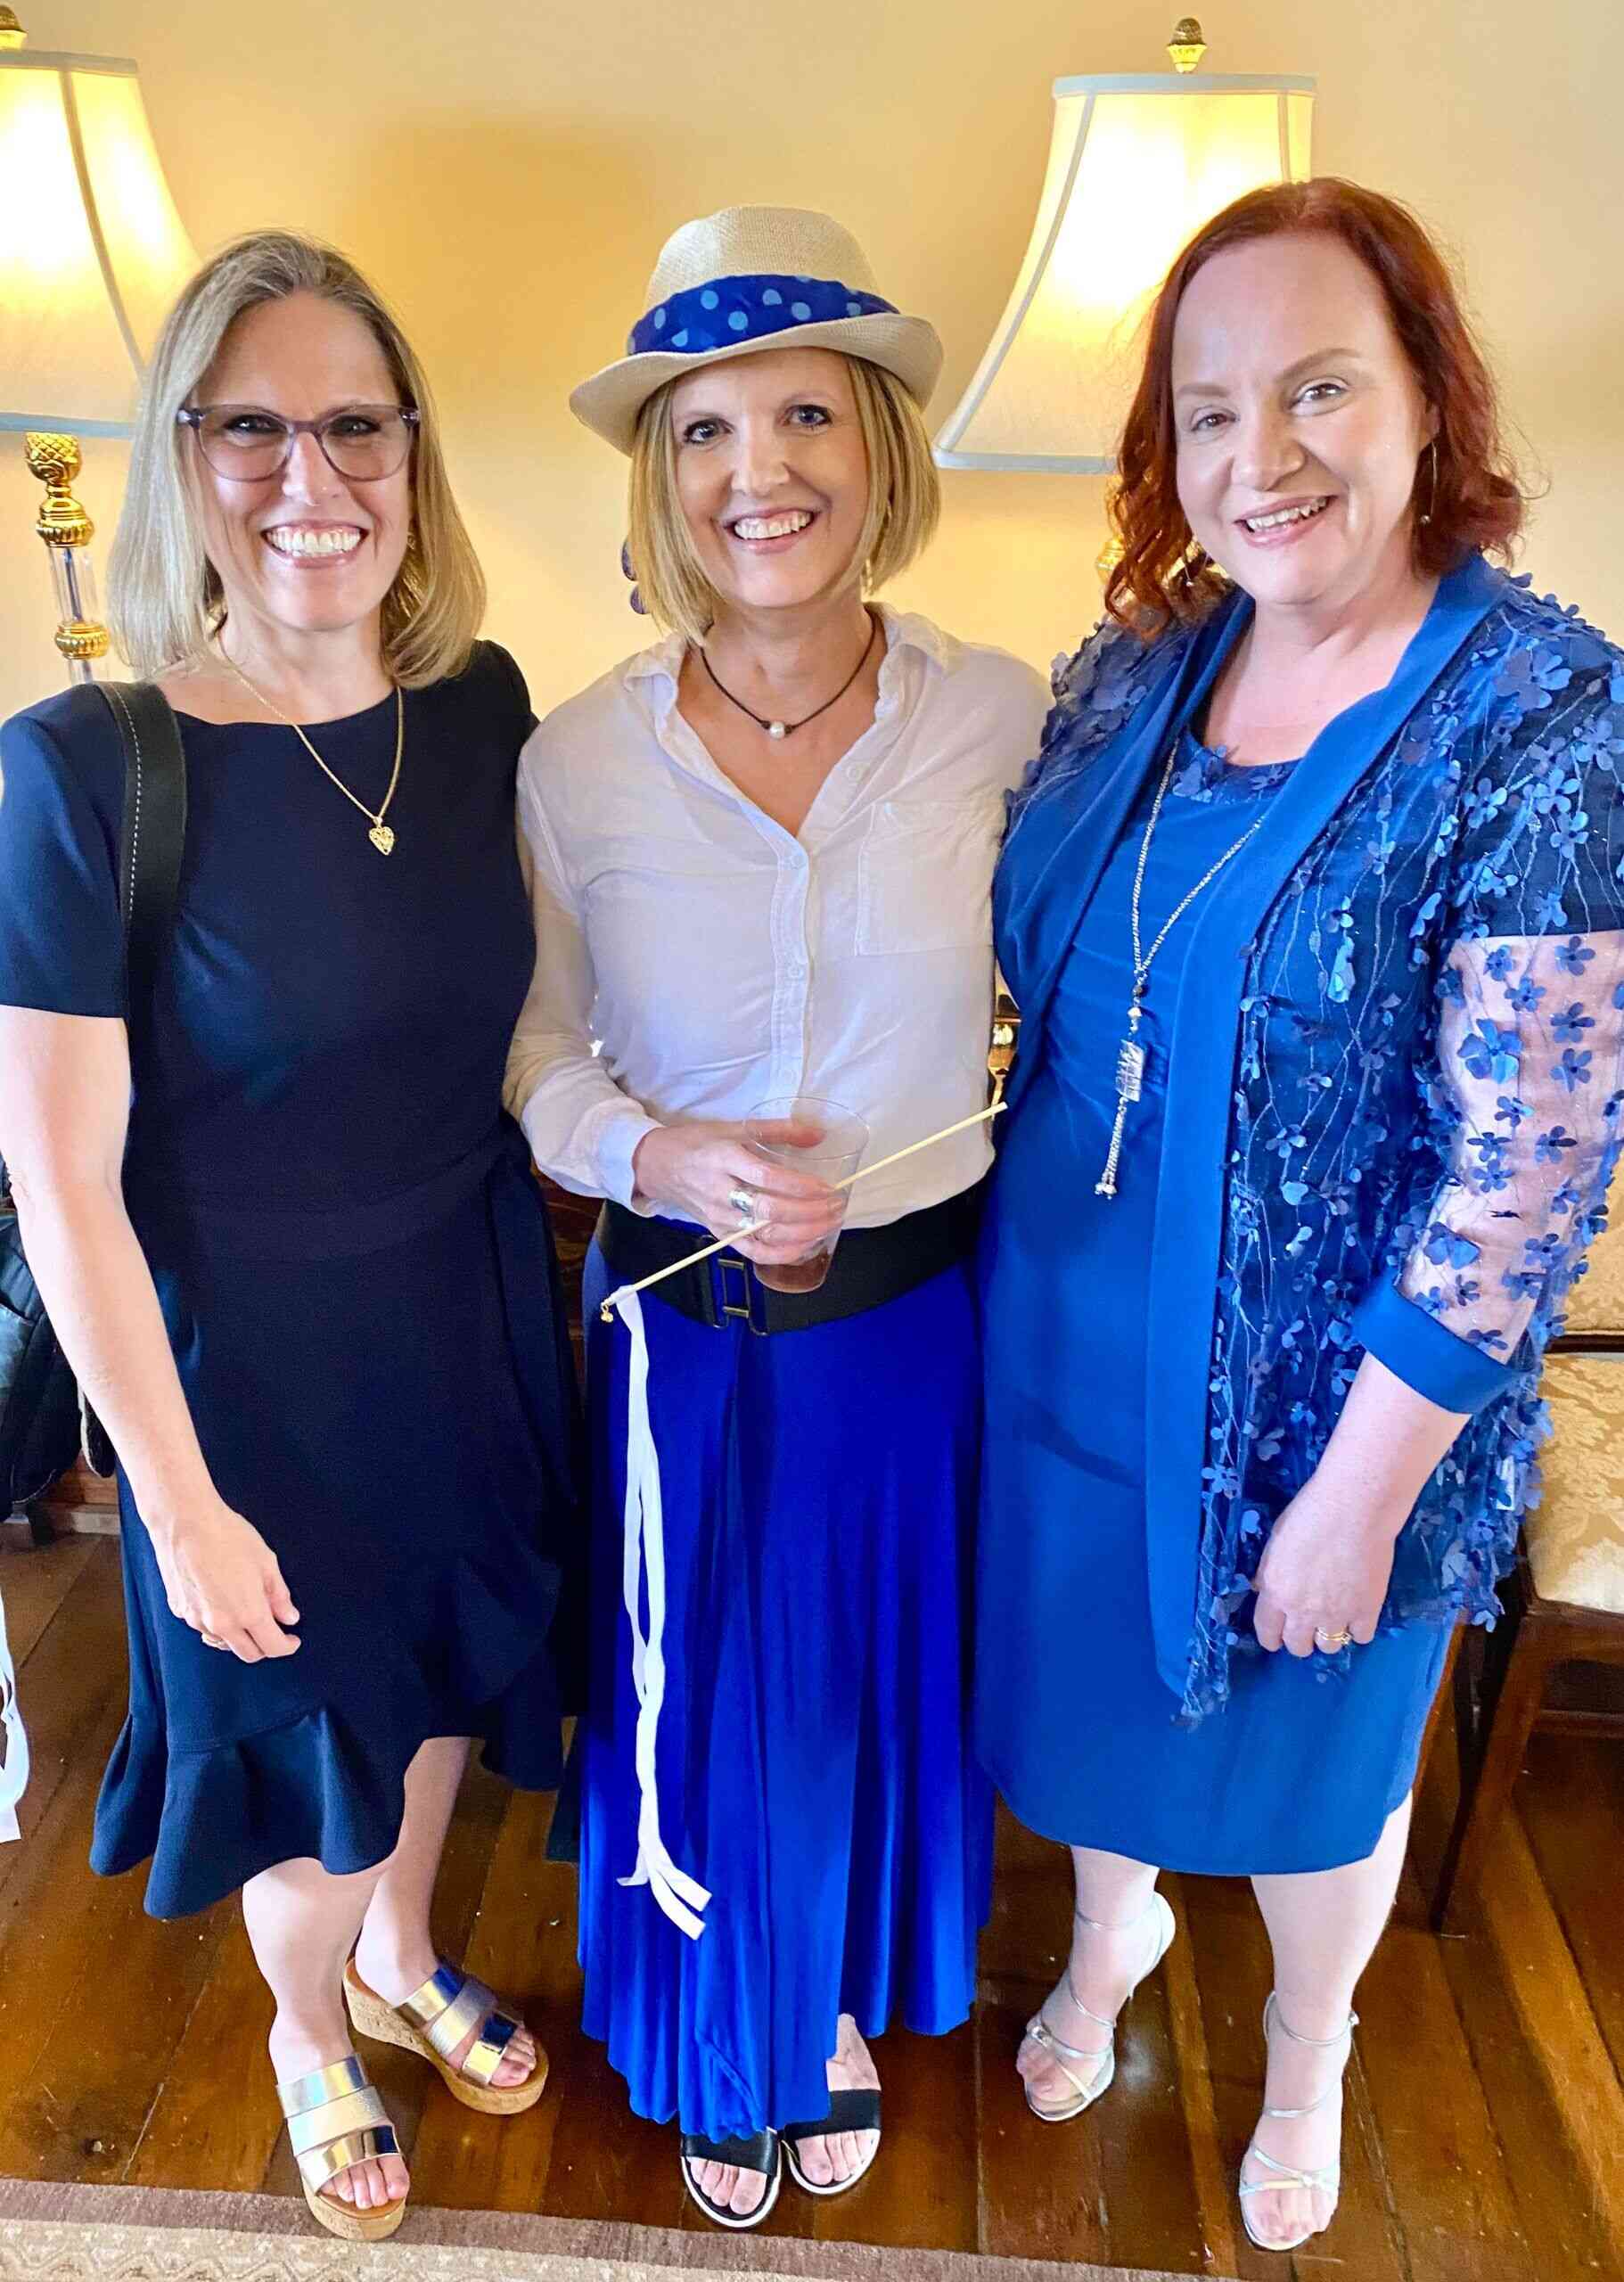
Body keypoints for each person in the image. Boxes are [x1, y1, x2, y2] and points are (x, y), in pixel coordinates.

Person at [977, 176, 1624, 2255]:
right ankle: (1111, 1935)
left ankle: (1306, 2037)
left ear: (1426, 396)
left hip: (1332, 1410)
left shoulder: (1539, 719)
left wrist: (1358, 1492)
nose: (1256, 455)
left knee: (1309, 1777)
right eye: (1207, 409)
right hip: (1057, 1337)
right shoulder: (1132, 672)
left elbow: (1524, 1168)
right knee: (1090, 1718)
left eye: (1316, 388)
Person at [0, 232, 580, 2241]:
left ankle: (404, 1953)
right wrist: (169, 1503)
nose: (308, 477)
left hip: (467, 1303)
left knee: (437, 1682)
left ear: (413, 453)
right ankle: (308, 2027)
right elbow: (61, 1180)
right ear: (180, 456)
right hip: (242, 1362)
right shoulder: (84, 769)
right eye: (249, 428)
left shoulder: (483, 709)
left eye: (353, 426)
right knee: (305, 1742)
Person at [505, 206, 1049, 2229]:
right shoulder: (576, 759)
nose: (762, 471)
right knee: (701, 1681)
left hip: (913, 1327)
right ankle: (715, 2018)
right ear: (662, 479)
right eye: (708, 430)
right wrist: (657, 1157)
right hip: (674, 1322)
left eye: (807, 414)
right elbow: (532, 1049)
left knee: (851, 1687)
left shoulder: (1005, 719)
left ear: (878, 448)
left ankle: (812, 1994)